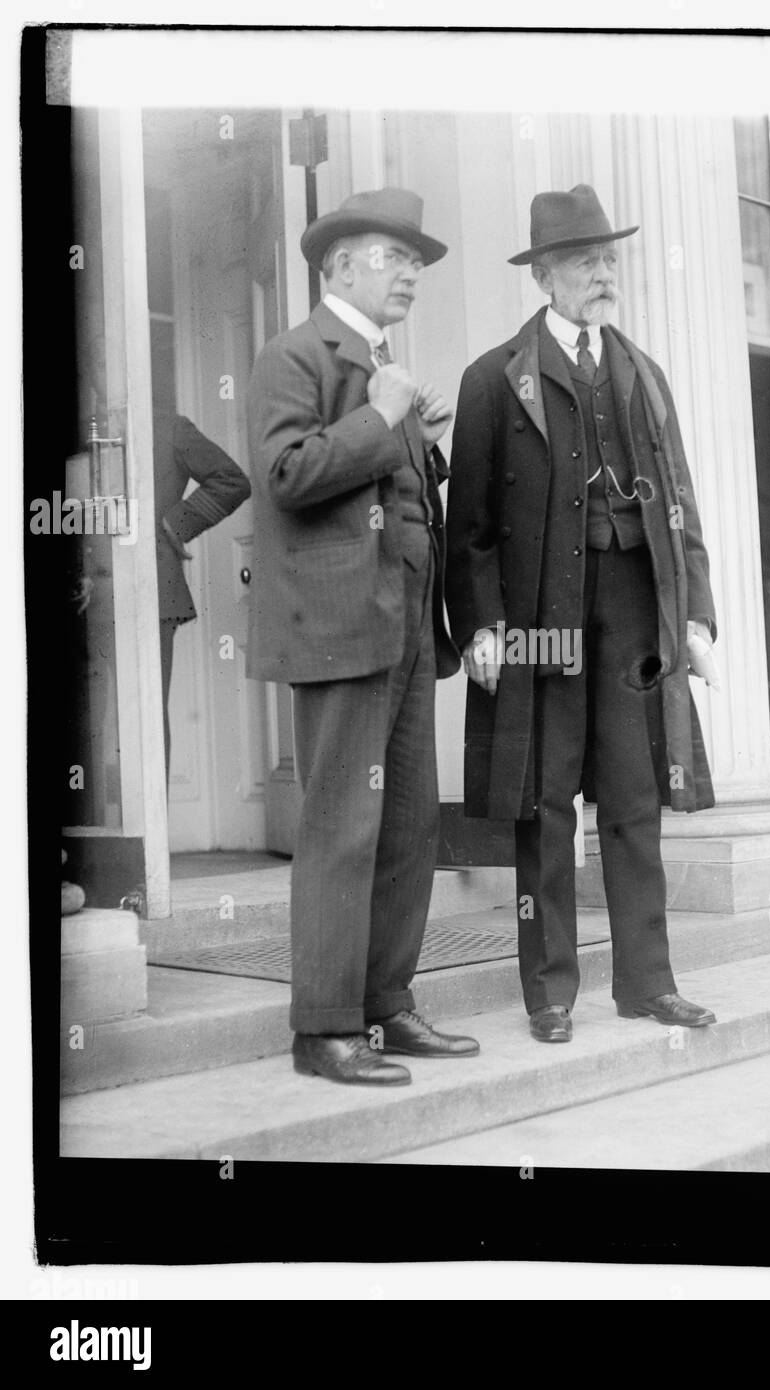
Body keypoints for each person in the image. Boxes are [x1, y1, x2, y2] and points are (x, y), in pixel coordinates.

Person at [445, 184, 720, 1044]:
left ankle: (646, 983)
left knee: (636, 798)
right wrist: (483, 625)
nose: (603, 276)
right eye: (583, 263)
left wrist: (697, 619)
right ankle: (550, 993)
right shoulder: (493, 379)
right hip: (540, 617)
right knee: (545, 801)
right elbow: (474, 526)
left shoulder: (643, 373)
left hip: (634, 612)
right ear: (546, 278)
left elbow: (678, 498)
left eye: (608, 259)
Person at [246, 188, 479, 1085]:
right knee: (343, 827)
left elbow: (391, 491)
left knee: (410, 825)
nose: (412, 274)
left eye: (416, 261)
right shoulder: (291, 355)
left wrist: (417, 438)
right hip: (341, 629)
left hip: (410, 623)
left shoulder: (385, 367)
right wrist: (383, 418)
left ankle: (386, 1005)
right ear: (339, 266)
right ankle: (324, 1030)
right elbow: (287, 474)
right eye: (394, 257)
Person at [153, 411, 251, 775]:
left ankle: (152, 832)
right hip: (86, 592)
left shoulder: (167, 427)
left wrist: (177, 523)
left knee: (147, 714)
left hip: (152, 592)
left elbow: (232, 480)